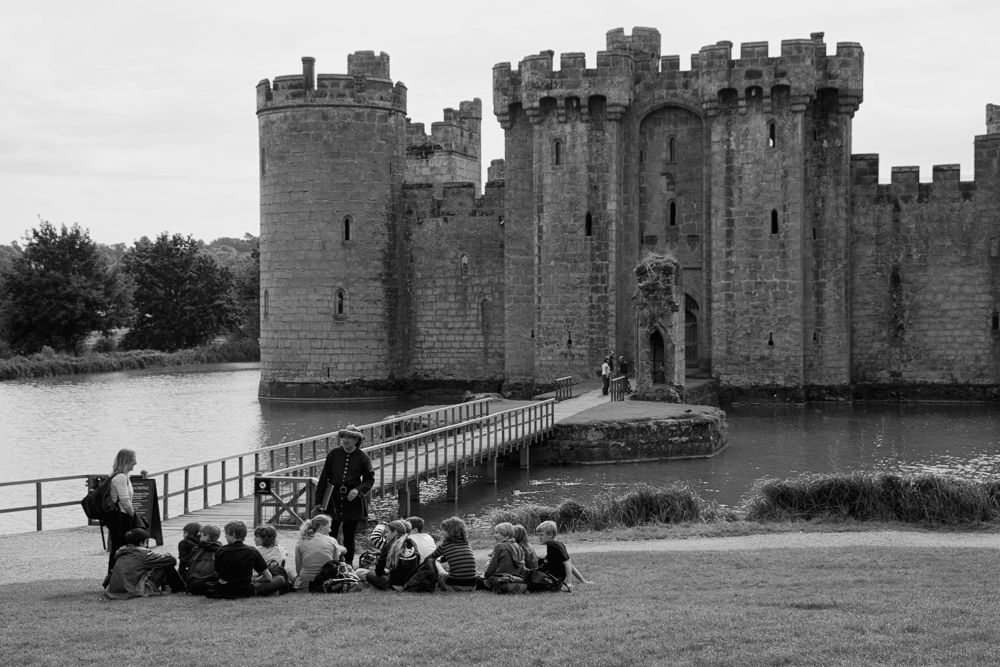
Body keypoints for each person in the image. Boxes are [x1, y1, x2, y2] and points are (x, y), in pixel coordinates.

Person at [314, 425, 375, 566]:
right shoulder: (333, 454)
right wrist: (318, 500)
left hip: (352, 501)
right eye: (344, 437)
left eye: (349, 438)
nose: (345, 440)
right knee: (330, 534)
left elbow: (369, 479)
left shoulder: (363, 457)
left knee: (349, 537)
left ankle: (348, 564)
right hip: (333, 500)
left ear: (356, 440)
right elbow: (324, 477)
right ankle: (330, 563)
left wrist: (358, 490)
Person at [104, 528, 185, 599]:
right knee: (165, 563)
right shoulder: (143, 553)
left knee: (154, 564)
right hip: (135, 590)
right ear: (142, 542)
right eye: (146, 541)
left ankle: (170, 586)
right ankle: (180, 587)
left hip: (115, 590)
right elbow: (171, 560)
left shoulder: (121, 552)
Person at [213, 520, 286, 598]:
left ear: (233, 535)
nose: (225, 536)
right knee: (280, 579)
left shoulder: (221, 550)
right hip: (246, 590)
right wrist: (254, 580)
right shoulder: (252, 551)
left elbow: (217, 573)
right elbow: (268, 577)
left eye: (226, 534)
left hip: (223, 589)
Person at [106, 448, 138, 576]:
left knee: (118, 546)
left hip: (117, 516)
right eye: (133, 460)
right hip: (121, 517)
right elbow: (124, 500)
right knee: (120, 547)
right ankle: (115, 576)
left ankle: (115, 576)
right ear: (126, 461)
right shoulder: (120, 477)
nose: (135, 463)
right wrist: (134, 516)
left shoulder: (118, 476)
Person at [294, 514, 346, 591]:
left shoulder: (300, 542)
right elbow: (336, 566)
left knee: (290, 573)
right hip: (328, 583)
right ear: (321, 527)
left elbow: (299, 570)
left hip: (306, 584)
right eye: (329, 527)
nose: (330, 530)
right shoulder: (332, 541)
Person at [535, 520, 592, 590]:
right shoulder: (559, 544)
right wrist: (583, 581)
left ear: (550, 535)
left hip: (551, 578)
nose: (539, 537)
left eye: (541, 535)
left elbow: (567, 564)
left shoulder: (552, 546)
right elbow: (570, 564)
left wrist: (569, 583)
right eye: (538, 535)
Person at [365, 520, 419, 591]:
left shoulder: (388, 546)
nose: (385, 535)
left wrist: (385, 572)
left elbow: (378, 571)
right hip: (411, 584)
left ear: (395, 532)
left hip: (395, 586)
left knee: (369, 574)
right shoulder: (412, 543)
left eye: (387, 532)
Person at [429, 516, 478, 592]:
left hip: (454, 586)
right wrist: (442, 560)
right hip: (472, 586)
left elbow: (430, 558)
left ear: (450, 531)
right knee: (449, 568)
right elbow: (456, 555)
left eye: (444, 530)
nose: (442, 532)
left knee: (438, 569)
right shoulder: (466, 544)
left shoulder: (445, 546)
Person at [483, 522, 526, 588]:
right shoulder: (517, 546)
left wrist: (485, 576)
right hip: (515, 579)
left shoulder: (500, 546)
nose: (494, 535)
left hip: (501, 578)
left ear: (505, 534)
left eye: (497, 533)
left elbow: (491, 567)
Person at [186, 524, 222, 595]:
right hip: (211, 585)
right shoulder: (221, 549)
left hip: (193, 586)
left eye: (201, 535)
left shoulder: (196, 549)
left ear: (207, 536)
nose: (199, 537)